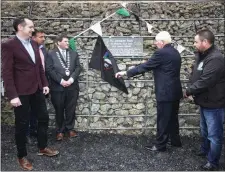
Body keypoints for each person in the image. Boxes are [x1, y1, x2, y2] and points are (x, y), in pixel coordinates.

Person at [1, 17, 59, 171]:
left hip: (37, 89)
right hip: (20, 93)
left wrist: (45, 84)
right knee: (22, 124)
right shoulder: (9, 45)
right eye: (30, 27)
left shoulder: (34, 43)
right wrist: (12, 95)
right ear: (20, 27)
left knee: (43, 118)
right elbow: (6, 72)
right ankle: (21, 155)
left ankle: (42, 146)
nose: (33, 30)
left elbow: (39, 67)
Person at [115, 31, 183, 152]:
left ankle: (160, 145)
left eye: (156, 41)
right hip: (175, 91)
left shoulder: (161, 53)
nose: (155, 43)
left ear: (162, 42)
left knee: (163, 119)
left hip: (165, 92)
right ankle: (175, 141)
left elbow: (145, 66)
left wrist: (125, 72)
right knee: (173, 118)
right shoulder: (175, 52)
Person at [184, 29, 225, 171]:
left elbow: (206, 81)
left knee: (214, 135)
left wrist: (188, 90)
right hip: (204, 101)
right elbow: (196, 74)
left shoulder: (215, 59)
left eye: (196, 42)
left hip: (214, 104)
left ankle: (212, 162)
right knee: (205, 130)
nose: (194, 44)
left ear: (205, 42)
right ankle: (205, 150)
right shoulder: (202, 56)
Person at [46, 35, 81, 141]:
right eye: (65, 41)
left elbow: (78, 67)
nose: (68, 43)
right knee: (59, 109)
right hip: (57, 87)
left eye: (68, 41)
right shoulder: (50, 54)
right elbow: (49, 69)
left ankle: (70, 129)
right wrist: (61, 81)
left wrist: (71, 80)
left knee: (71, 108)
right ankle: (60, 131)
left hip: (72, 86)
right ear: (58, 43)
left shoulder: (74, 53)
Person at [25, 28, 47, 143]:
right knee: (27, 111)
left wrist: (45, 84)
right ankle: (27, 134)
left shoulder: (42, 50)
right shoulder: (27, 50)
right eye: (40, 37)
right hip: (28, 86)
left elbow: (43, 68)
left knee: (36, 111)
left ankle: (33, 131)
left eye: (44, 37)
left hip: (40, 85)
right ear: (33, 38)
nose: (43, 39)